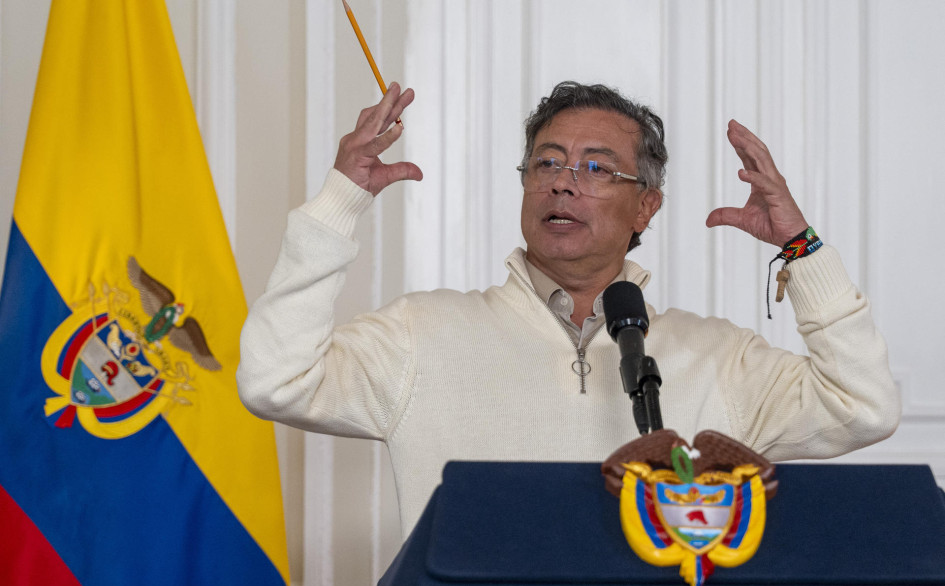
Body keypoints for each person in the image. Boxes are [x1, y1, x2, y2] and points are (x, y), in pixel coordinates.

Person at [237, 81, 899, 537]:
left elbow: (861, 405)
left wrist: (801, 250)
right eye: (545, 163)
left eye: (595, 168)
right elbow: (275, 379)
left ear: (646, 206)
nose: (561, 180)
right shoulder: (422, 333)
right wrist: (336, 205)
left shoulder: (719, 355)